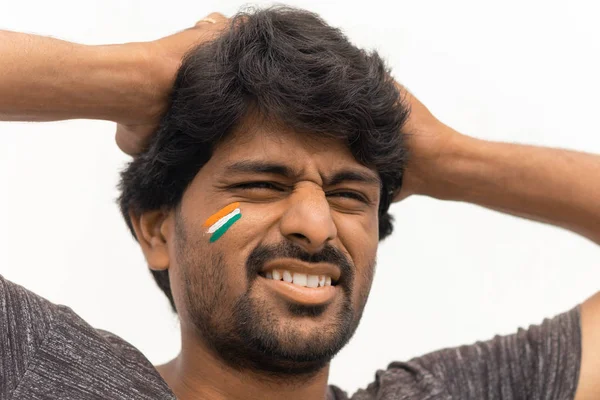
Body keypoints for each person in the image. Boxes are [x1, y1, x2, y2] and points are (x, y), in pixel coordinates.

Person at [1, 6, 599, 400]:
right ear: (157, 230)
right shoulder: (37, 367)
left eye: (348, 195)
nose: (317, 226)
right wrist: (129, 75)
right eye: (261, 186)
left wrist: (448, 158)